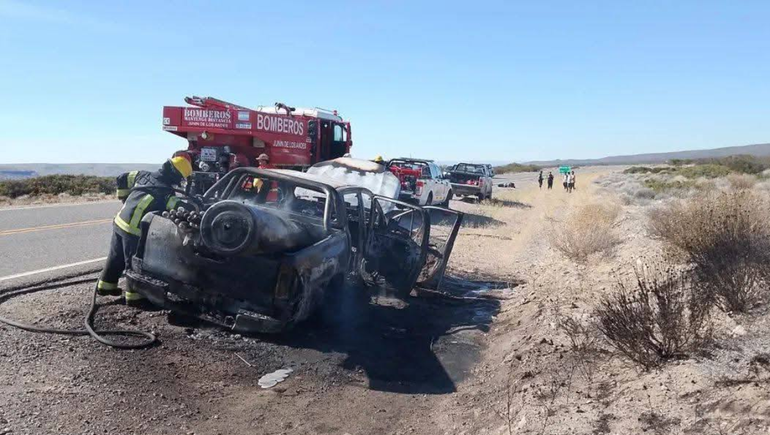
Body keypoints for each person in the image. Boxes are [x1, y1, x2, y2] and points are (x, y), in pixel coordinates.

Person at [97, 156, 193, 306]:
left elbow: (122, 178)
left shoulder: (143, 174)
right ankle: (134, 297)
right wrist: (194, 207)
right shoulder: (166, 192)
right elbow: (177, 205)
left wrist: (122, 196)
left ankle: (105, 286)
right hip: (133, 231)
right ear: (175, 175)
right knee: (133, 264)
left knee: (116, 256)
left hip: (119, 222)